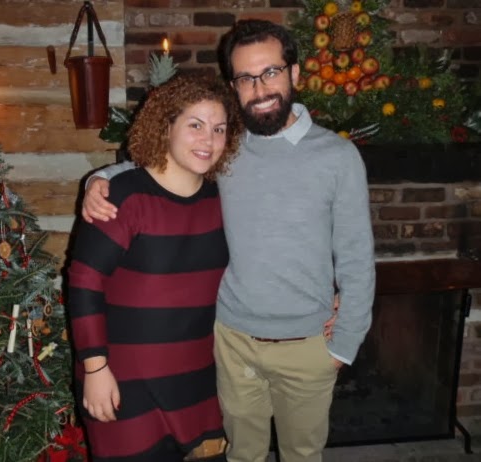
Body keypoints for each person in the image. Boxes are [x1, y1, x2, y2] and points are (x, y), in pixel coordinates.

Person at [81, 19, 375, 462]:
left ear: (295, 73)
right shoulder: (227, 147)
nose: (260, 88)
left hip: (308, 345)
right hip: (232, 342)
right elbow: (164, 162)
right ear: (234, 85)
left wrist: (343, 345)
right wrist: (100, 178)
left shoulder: (337, 157)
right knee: (240, 455)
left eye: (270, 72)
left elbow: (357, 258)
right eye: (245, 78)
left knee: (303, 455)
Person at [67, 74, 244, 462]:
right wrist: (95, 369)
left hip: (197, 380)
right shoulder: (123, 196)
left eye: (219, 129)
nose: (208, 140)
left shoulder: (222, 201)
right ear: (166, 127)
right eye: (195, 125)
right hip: (122, 381)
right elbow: (84, 284)